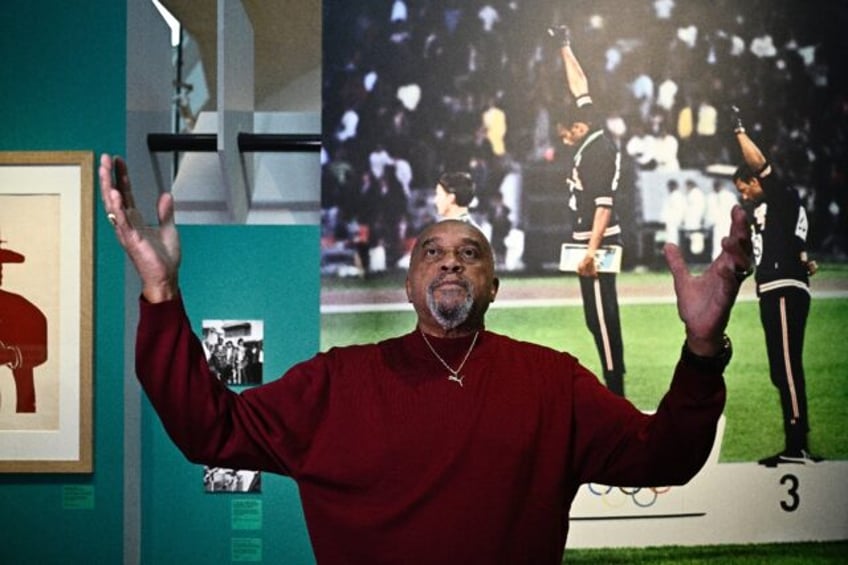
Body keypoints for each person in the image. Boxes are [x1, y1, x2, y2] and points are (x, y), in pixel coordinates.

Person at [99, 153, 753, 563]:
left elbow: (663, 455)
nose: (449, 260)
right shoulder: (335, 383)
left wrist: (701, 350)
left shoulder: (553, 381)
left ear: (494, 285)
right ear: (409, 284)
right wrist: (160, 291)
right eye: (431, 251)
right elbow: (206, 428)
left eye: (470, 252)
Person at [730, 107, 823, 467]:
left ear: (757, 181)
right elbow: (795, 243)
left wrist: (739, 131)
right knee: (778, 369)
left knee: (786, 365)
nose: (745, 196)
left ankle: (798, 445)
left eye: (746, 188)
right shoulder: (771, 211)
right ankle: (793, 443)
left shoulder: (781, 195)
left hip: (784, 287)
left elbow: (761, 163)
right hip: (774, 285)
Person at [548, 24, 627, 396]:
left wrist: (592, 252)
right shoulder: (591, 129)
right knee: (594, 318)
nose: (564, 140)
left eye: (566, 133)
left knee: (603, 315)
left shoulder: (597, 152)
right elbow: (579, 84)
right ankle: (614, 384)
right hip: (587, 240)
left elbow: (603, 207)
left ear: (578, 128)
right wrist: (565, 45)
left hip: (597, 241)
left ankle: (616, 390)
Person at [0, 242, 48, 413]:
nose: (0, 272)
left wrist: (11, 355)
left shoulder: (19, 307)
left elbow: (40, 350)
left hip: (21, 413)